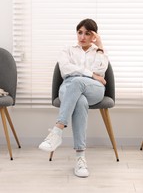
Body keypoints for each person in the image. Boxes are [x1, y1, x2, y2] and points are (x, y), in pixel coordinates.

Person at [38, 18, 108, 178]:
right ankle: (80, 158)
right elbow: (66, 69)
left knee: (78, 82)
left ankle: (57, 130)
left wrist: (100, 46)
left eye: (87, 33)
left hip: (94, 89)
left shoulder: (99, 52)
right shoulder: (67, 50)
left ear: (94, 36)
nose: (82, 36)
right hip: (69, 87)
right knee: (80, 100)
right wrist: (91, 74)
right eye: (80, 32)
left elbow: (101, 70)